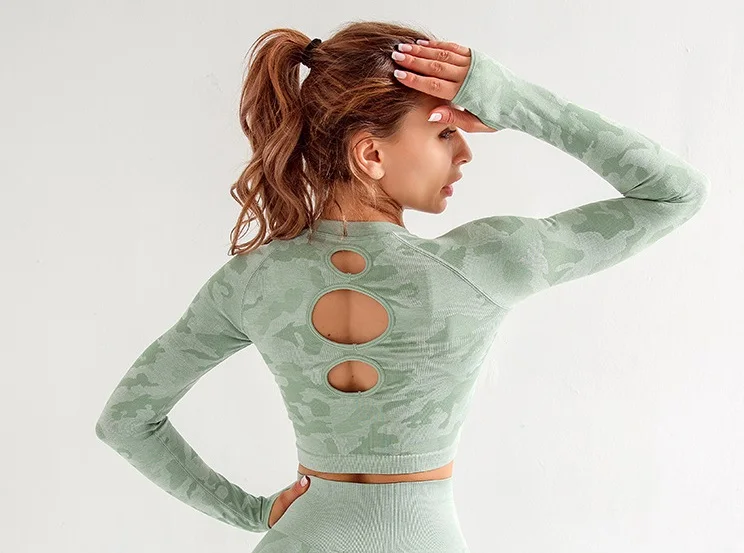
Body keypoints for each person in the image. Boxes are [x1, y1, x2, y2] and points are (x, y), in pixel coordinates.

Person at [94, 21, 710, 553]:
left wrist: (255, 514)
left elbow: (126, 421)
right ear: (370, 155)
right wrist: (508, 99)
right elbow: (674, 194)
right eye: (444, 131)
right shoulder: (486, 264)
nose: (465, 150)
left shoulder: (252, 282)